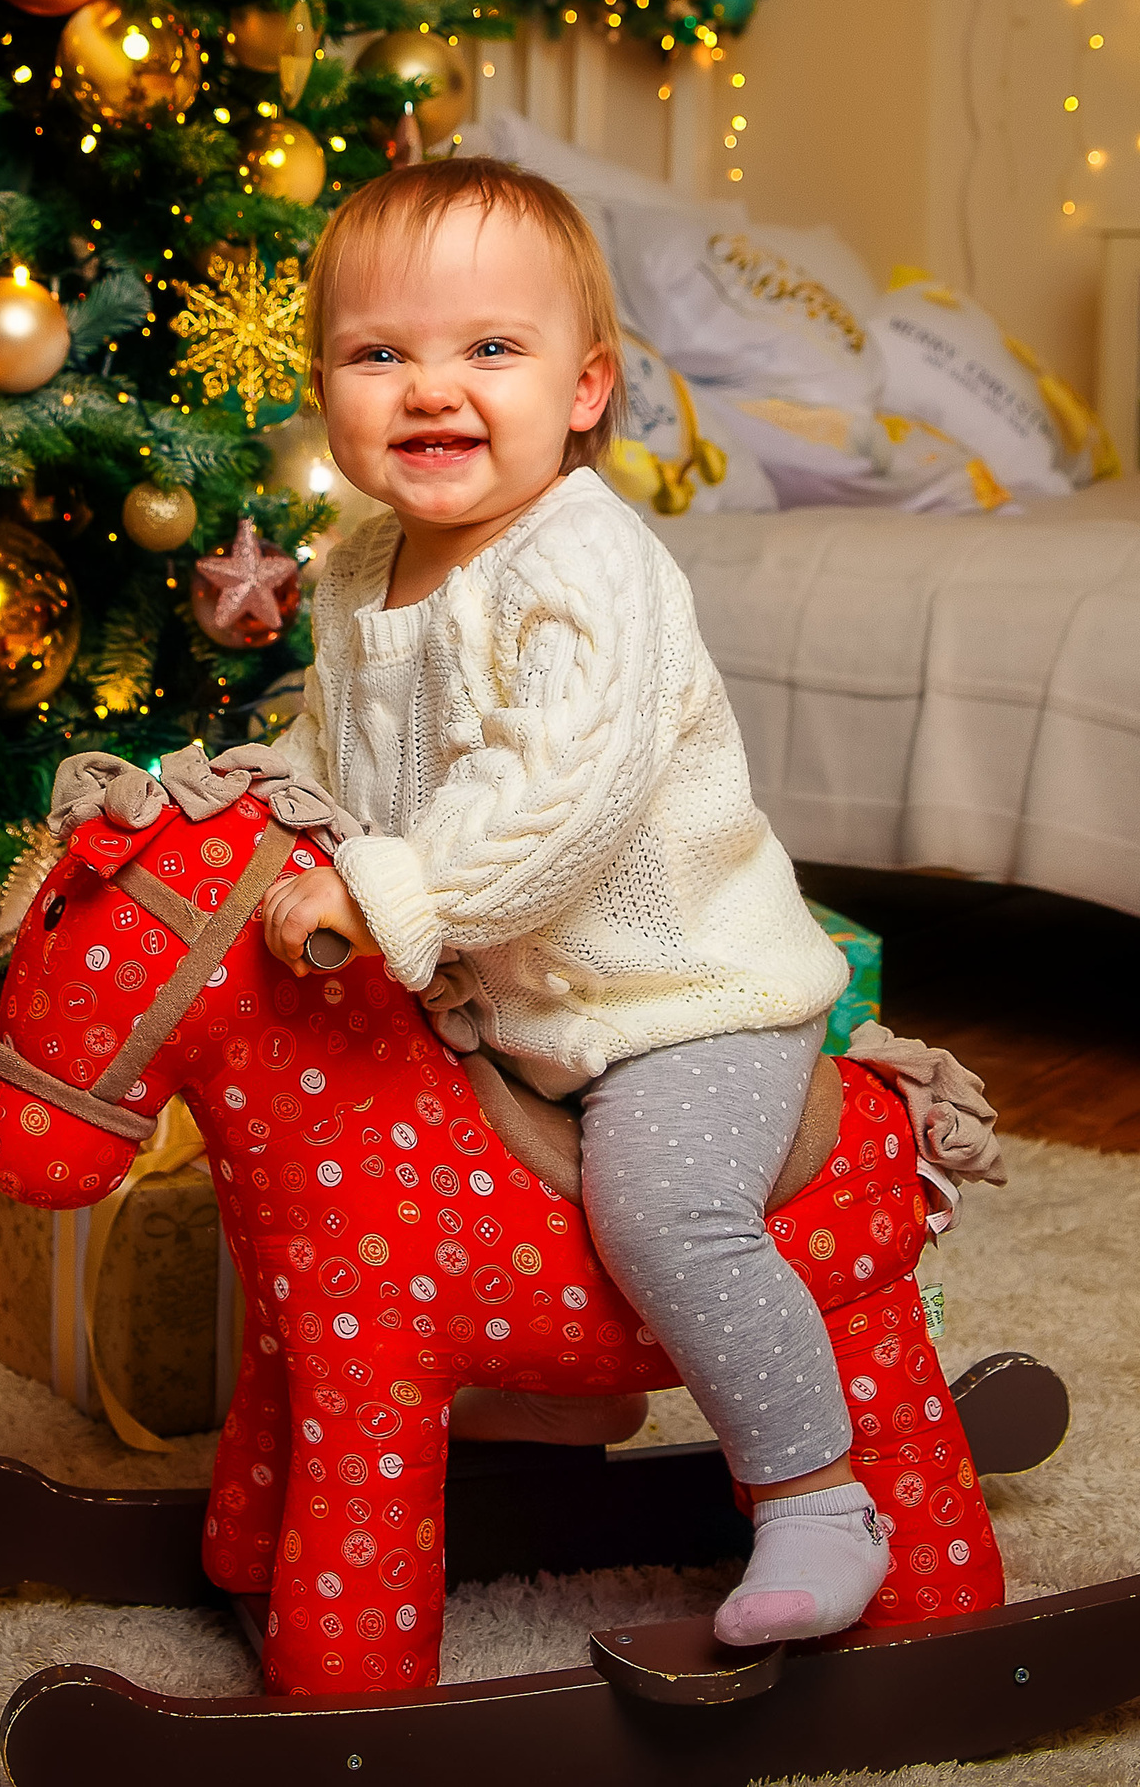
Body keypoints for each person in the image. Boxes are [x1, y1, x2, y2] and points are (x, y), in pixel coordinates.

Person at [255, 157, 881, 1647]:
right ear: (325, 390)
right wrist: (259, 832)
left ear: (585, 386)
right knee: (380, 1184)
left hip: (679, 1005)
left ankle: (816, 1493)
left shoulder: (587, 566)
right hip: (498, 1002)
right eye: (378, 353)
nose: (430, 390)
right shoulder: (353, 571)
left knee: (661, 1204)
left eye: (489, 349)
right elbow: (320, 752)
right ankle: (543, 1422)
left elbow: (560, 805)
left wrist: (381, 887)